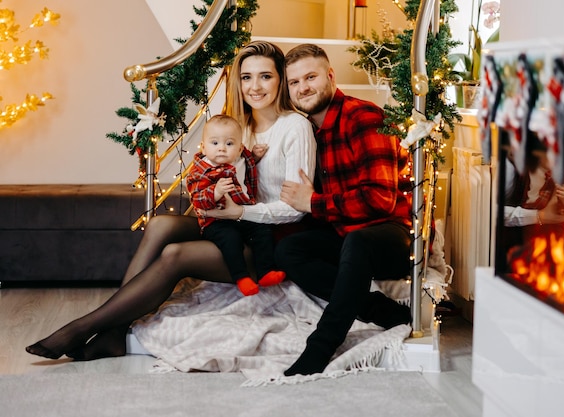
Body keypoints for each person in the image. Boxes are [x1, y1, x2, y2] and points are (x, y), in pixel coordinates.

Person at [25, 40, 316, 361]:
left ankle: (81, 328)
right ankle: (114, 333)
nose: (255, 86)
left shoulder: (295, 127)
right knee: (163, 224)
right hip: (232, 222)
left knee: (176, 253)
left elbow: (296, 210)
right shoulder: (237, 127)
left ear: (280, 80)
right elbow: (212, 181)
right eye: (246, 77)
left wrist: (240, 211)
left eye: (266, 76)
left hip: (268, 241)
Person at [277, 44, 413, 376]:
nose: (303, 87)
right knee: (289, 250)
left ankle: (320, 348)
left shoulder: (363, 118)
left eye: (311, 77)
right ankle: (385, 312)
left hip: (393, 235)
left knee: (359, 241)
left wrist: (312, 202)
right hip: (348, 232)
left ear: (330, 76)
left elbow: (380, 199)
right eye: (294, 82)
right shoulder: (306, 128)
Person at [186, 114, 285, 296]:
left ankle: (265, 272)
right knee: (231, 239)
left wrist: (254, 156)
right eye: (214, 143)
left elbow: (246, 168)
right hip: (216, 221)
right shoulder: (201, 170)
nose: (222, 149)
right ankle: (241, 277)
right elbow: (197, 199)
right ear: (203, 146)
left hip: (243, 214)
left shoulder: (242, 159)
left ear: (240, 148)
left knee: (262, 230)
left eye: (229, 144)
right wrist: (215, 192)